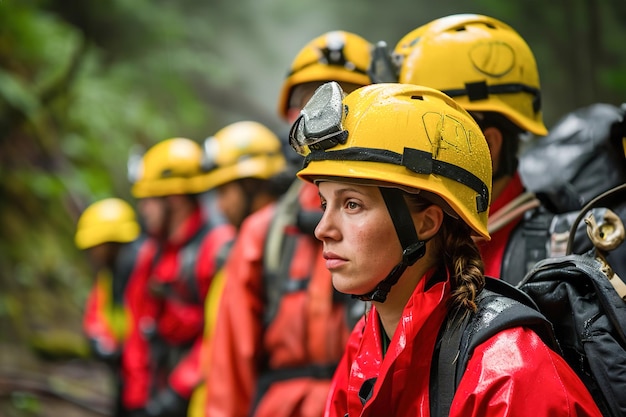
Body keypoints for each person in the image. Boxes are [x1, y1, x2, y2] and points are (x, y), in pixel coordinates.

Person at [289, 81, 601, 417]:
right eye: (325, 204)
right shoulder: (366, 339)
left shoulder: (509, 370)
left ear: (426, 223)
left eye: (352, 204)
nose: (323, 230)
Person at [202, 30, 372, 417]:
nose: (326, 114)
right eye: (309, 100)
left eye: (347, 96)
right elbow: (230, 369)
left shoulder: (402, 226)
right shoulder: (262, 235)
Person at [390, 14, 548, 281]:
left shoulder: (551, 258)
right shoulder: (422, 243)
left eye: (427, 135)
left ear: (487, 147)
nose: (409, 155)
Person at [121, 137, 236, 417]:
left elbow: (220, 333)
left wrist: (176, 392)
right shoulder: (152, 252)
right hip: (158, 388)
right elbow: (138, 324)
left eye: (148, 199)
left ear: (174, 199)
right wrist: (136, 400)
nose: (143, 209)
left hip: (197, 396)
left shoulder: (217, 248)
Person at [186, 120, 288, 416]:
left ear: (251, 184)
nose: (219, 207)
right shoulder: (238, 249)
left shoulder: (273, 249)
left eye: (224, 192)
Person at [75, 197, 146, 416]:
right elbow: (94, 315)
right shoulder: (107, 277)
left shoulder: (142, 270)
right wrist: (98, 341)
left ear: (109, 244)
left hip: (144, 382)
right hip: (125, 375)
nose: (91, 254)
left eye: (94, 247)